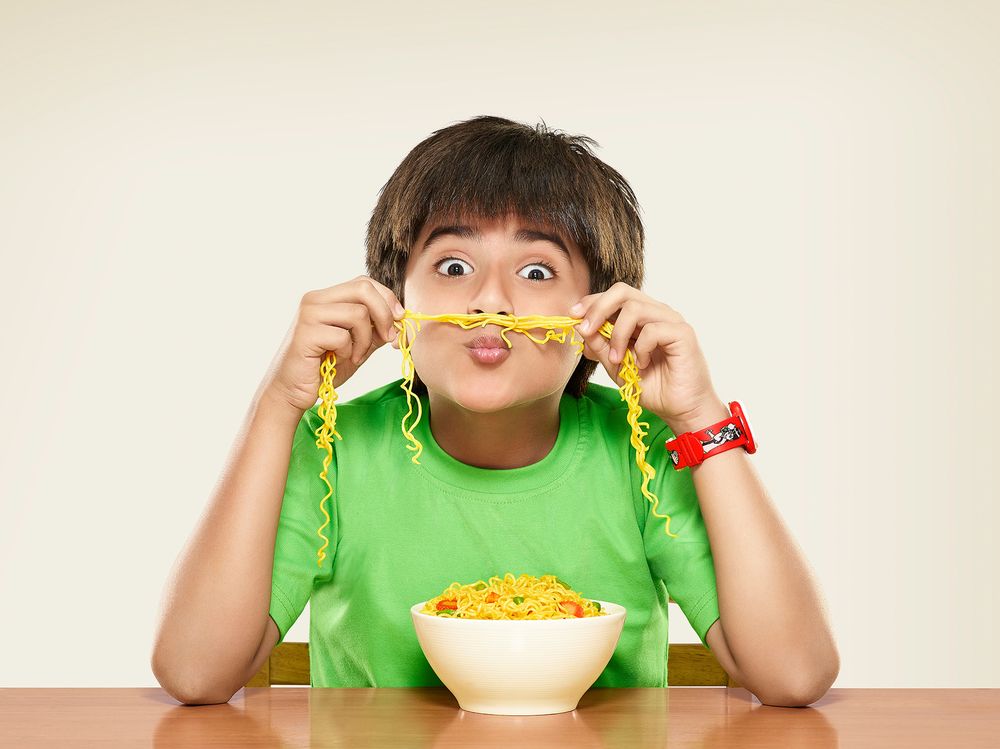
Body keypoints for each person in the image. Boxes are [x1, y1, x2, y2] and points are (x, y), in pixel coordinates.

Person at [151, 115, 839, 707]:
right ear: (394, 299)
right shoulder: (334, 448)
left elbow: (795, 673)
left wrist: (699, 416)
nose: (490, 302)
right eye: (453, 266)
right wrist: (278, 405)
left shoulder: (644, 452)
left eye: (536, 271)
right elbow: (194, 672)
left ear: (601, 311)